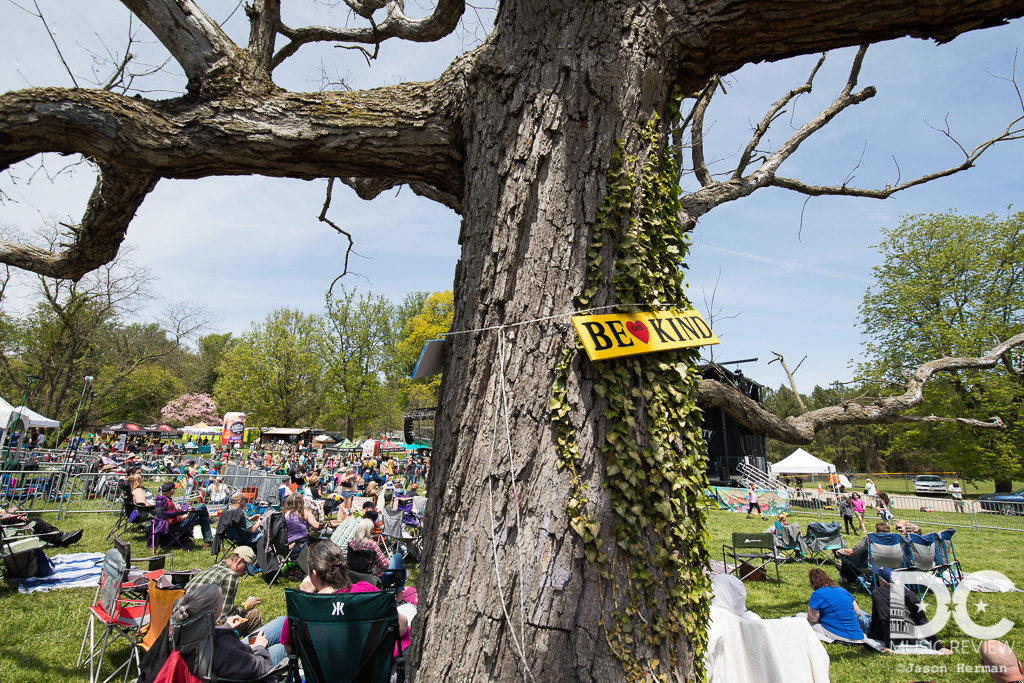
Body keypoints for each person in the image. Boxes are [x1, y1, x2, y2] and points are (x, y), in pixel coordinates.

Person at [260, 541, 410, 656]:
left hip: (325, 675)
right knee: (409, 610)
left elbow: (290, 649)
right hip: (372, 672)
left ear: (313, 574)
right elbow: (402, 627)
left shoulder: (302, 608)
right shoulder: (367, 592)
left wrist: (306, 598)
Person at [139, 583, 284, 683]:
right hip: (243, 669)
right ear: (214, 612)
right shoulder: (222, 642)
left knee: (282, 621)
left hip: (224, 659)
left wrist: (226, 626)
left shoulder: (180, 629)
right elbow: (257, 669)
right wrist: (259, 647)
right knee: (282, 646)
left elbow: (213, 646)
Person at [184, 546, 263, 637]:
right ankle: (251, 649)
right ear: (239, 561)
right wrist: (245, 607)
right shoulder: (229, 575)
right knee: (254, 615)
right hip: (205, 634)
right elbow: (223, 619)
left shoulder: (212, 569)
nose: (242, 575)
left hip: (186, 628)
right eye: (245, 569)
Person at [806, 567, 865, 642]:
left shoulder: (817, 594)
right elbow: (858, 613)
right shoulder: (842, 590)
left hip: (840, 634)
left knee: (801, 617)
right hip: (858, 635)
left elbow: (813, 619)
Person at [155, 481, 214, 547]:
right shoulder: (168, 502)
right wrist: (184, 516)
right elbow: (172, 521)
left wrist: (181, 511)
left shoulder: (160, 499)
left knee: (204, 519)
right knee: (202, 506)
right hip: (177, 525)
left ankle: (208, 541)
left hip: (163, 524)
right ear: (172, 490)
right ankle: (208, 540)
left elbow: (170, 514)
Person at [0, 506, 83, 546]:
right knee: (37, 523)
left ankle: (60, 535)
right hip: (4, 521)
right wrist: (12, 517)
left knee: (37, 520)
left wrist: (9, 513)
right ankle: (58, 540)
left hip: (6, 518)